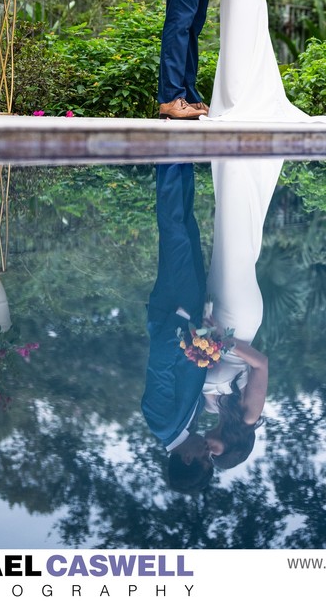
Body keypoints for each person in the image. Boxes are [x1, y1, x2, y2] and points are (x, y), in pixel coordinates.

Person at [200, 157, 281, 469]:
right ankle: (242, 163)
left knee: (229, 240)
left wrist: (206, 336)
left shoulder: (211, 408)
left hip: (217, 322)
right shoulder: (249, 416)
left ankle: (235, 166)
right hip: (239, 322)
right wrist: (222, 340)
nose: (208, 451)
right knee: (236, 245)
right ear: (232, 448)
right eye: (214, 455)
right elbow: (261, 364)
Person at [141, 163, 214, 494]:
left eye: (205, 459)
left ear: (187, 461)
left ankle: (170, 158)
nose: (208, 452)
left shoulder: (161, 423)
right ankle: (184, 157)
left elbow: (160, 363)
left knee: (174, 231)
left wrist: (184, 326)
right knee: (187, 229)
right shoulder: (188, 421)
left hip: (174, 310)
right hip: (190, 313)